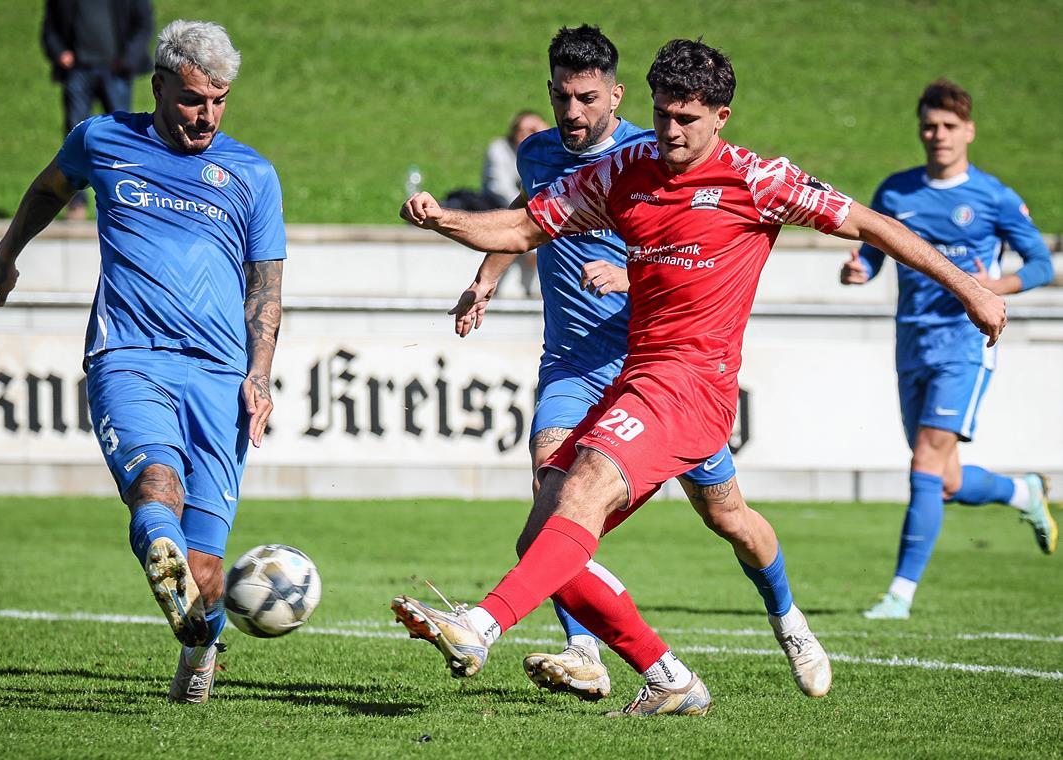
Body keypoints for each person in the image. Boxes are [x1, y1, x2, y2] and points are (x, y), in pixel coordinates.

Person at [392, 38, 1005, 718]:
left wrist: (971, 291)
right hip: (639, 381)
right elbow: (522, 227)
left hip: (695, 387)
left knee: (595, 490)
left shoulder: (759, 181)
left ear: (721, 116)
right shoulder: (624, 170)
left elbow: (873, 225)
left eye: (686, 118)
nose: (671, 132)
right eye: (662, 116)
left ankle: (483, 627)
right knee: (559, 532)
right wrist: (444, 219)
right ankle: (668, 677)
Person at [448, 24, 829, 704]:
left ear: (615, 95)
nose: (572, 112)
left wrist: (633, 271)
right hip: (571, 361)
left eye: (586, 99)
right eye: (562, 97)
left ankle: (789, 617)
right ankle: (585, 650)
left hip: (656, 371)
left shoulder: (649, 154)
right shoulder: (537, 154)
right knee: (555, 496)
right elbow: (526, 217)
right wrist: (487, 276)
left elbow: (688, 239)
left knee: (728, 516)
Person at [0, 20, 287, 704]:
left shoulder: (251, 175)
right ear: (157, 87)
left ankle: (198, 657)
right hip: (130, 358)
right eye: (191, 99)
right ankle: (164, 562)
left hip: (218, 379)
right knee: (156, 488)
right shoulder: (103, 140)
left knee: (204, 564)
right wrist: (6, 256)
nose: (206, 114)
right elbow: (47, 190)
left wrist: (259, 374)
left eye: (218, 100)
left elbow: (265, 286)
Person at [841, 79, 1056, 621]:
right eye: (930, 126)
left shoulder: (994, 197)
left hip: (965, 343)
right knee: (947, 479)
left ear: (969, 131)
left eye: (949, 126)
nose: (938, 135)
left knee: (925, 462)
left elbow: (1041, 265)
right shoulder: (895, 193)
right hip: (910, 341)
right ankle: (1022, 493)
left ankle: (899, 595)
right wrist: (859, 269)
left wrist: (993, 288)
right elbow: (875, 253)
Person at [41, 0, 155, 220]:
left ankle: (124, 199)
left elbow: (143, 25)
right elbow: (49, 30)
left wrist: (128, 60)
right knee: (75, 136)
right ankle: (76, 204)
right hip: (78, 70)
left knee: (122, 138)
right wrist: (60, 53)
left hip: (116, 71)